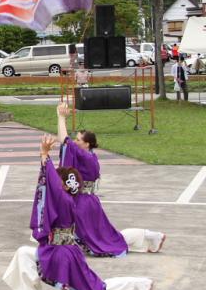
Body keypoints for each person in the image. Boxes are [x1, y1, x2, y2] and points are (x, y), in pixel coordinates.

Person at [2, 135, 153, 290]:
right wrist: (44, 156)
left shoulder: (63, 199)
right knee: (24, 253)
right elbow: (52, 183)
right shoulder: (68, 198)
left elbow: (51, 181)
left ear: (65, 186)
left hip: (62, 254)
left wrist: (44, 155)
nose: (54, 185)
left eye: (59, 182)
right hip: (58, 251)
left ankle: (141, 283)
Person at [56, 103, 165, 257]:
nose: (75, 142)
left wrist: (61, 118)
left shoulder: (84, 155)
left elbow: (64, 141)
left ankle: (149, 235)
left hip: (82, 203)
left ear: (87, 144)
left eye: (78, 140)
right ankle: (149, 235)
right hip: (89, 201)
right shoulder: (90, 155)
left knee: (106, 238)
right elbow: (67, 143)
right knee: (105, 235)